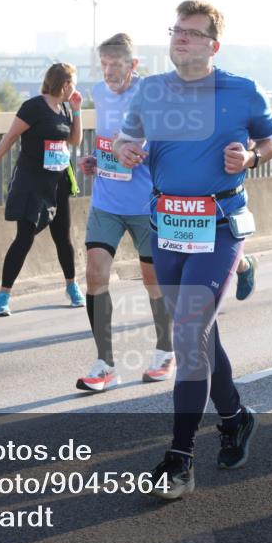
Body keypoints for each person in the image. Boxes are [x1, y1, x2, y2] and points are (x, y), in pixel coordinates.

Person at [115, 0, 272, 499]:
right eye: (176, 30)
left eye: (191, 32)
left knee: (189, 331)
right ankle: (235, 417)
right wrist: (126, 150)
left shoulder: (241, 90)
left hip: (219, 224)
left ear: (213, 44)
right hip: (167, 224)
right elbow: (129, 141)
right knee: (198, 333)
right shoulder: (150, 90)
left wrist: (251, 155)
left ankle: (180, 459)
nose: (180, 38)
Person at [75, 34, 175, 392]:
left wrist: (131, 149)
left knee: (153, 282)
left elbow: (149, 141)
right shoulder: (99, 93)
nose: (109, 72)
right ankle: (105, 364)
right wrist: (94, 158)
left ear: (134, 65)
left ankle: (165, 351)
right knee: (95, 272)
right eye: (103, 64)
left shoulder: (150, 93)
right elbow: (107, 138)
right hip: (107, 200)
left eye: (116, 65)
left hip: (145, 202)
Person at [0, 63, 85, 316]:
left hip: (59, 181)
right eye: (73, 83)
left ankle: (72, 285)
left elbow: (74, 141)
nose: (75, 87)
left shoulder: (64, 107)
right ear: (65, 84)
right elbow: (9, 138)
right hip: (32, 182)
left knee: (62, 237)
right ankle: (3, 295)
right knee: (25, 236)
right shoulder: (33, 107)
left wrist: (77, 111)